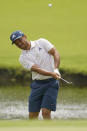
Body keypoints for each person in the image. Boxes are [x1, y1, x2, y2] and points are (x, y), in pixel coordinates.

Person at [10, 31, 61, 120]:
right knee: (32, 116)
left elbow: (55, 52)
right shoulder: (22, 58)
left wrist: (56, 69)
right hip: (37, 85)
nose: (19, 44)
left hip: (51, 83)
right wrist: (52, 73)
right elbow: (37, 69)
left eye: (20, 40)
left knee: (45, 113)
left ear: (25, 36)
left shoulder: (41, 42)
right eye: (16, 43)